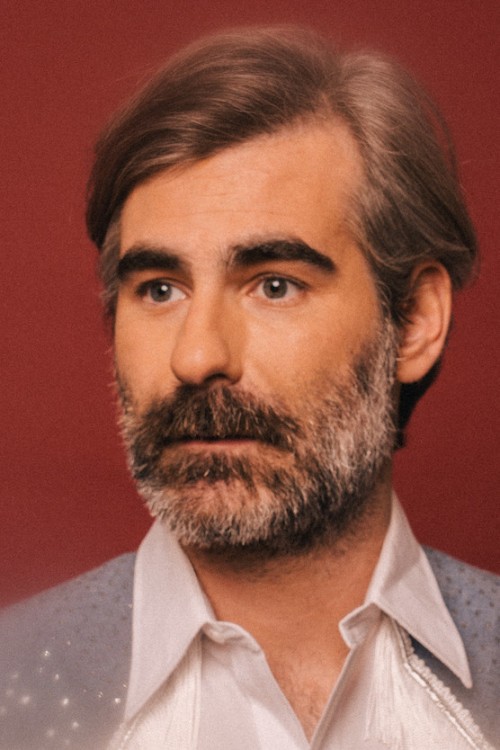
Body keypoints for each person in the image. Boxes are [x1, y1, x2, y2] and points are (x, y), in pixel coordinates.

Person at [0, 25, 498, 750]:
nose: (197, 356)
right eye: (160, 289)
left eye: (274, 285)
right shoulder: (15, 688)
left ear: (415, 321)